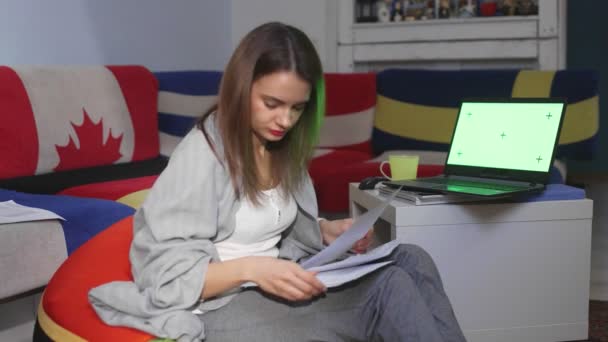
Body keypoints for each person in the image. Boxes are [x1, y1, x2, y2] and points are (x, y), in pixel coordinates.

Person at [89, 22, 466, 342]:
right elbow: (164, 276)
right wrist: (252, 269)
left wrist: (325, 231)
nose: (285, 120)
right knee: (389, 289)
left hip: (274, 283)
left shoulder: (281, 145)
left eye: (297, 108)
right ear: (241, 88)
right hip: (220, 305)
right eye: (272, 104)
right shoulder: (204, 153)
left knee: (412, 258)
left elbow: (268, 224)